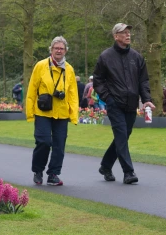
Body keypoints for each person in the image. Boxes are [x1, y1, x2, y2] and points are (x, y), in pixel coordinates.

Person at [93, 23, 156, 184]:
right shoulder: (105, 56)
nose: (128, 35)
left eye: (129, 32)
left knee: (123, 137)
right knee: (121, 136)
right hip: (115, 104)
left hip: (131, 104)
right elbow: (98, 81)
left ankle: (106, 165)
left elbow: (143, 81)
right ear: (116, 36)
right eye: (124, 33)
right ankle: (129, 172)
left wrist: (147, 99)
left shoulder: (137, 57)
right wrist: (108, 98)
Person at [26, 36, 79, 186]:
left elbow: (73, 93)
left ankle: (53, 174)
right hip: (43, 111)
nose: (59, 51)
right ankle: (38, 170)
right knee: (43, 141)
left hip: (61, 112)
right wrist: (30, 112)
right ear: (51, 49)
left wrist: (73, 115)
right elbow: (32, 89)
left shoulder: (69, 69)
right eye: (56, 48)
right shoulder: (41, 66)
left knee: (59, 145)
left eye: (62, 48)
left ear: (66, 51)